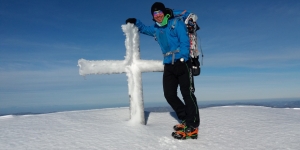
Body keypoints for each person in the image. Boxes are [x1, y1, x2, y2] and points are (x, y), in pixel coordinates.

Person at [126, 2, 200, 140]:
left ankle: (192, 126)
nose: (158, 16)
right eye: (155, 14)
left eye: (160, 13)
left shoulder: (176, 23)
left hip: (182, 63)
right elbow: (144, 29)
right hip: (168, 64)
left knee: (187, 94)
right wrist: (136, 22)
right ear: (153, 16)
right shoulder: (156, 29)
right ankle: (185, 119)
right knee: (169, 94)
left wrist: (183, 58)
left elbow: (184, 41)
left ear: (164, 12)